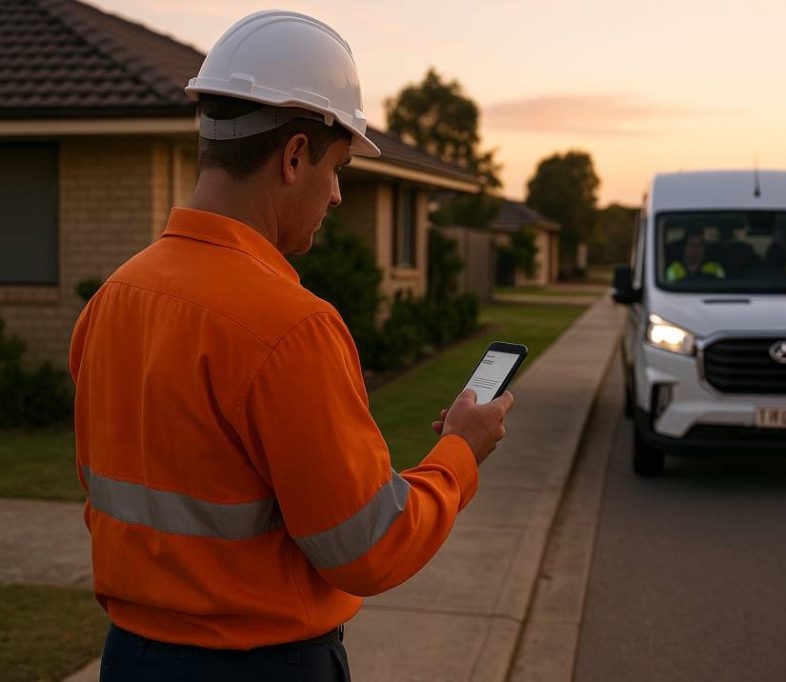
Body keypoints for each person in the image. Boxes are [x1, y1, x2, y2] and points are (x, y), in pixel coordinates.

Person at [69, 11, 513, 680]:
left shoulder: (113, 300)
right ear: (296, 154)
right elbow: (370, 547)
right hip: (261, 666)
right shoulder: (290, 327)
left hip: (129, 658)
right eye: (337, 168)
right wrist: (461, 451)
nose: (336, 195)